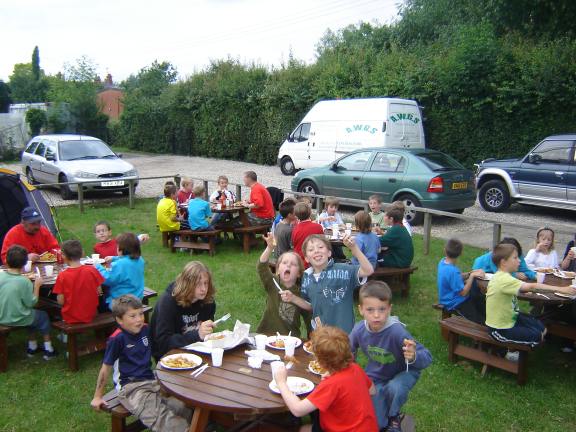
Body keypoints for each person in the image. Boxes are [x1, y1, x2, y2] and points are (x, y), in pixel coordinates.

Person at [91, 295, 192, 432]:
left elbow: (159, 346)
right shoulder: (117, 339)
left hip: (152, 379)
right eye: (132, 316)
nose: (139, 319)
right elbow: (105, 368)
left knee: (182, 405)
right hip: (131, 387)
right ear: (119, 320)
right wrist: (97, 397)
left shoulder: (145, 329)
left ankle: (199, 425)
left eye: (140, 314)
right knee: (160, 417)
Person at [350, 281, 432, 432]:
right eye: (370, 309)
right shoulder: (359, 330)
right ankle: (385, 415)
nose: (376, 315)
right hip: (377, 375)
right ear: (361, 309)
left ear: (389, 308)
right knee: (377, 424)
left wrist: (413, 356)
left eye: (382, 309)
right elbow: (346, 349)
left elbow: (427, 357)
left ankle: (394, 416)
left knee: (395, 388)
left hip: (403, 373)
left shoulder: (397, 332)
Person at [274, 325, 378, 432]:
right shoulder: (355, 368)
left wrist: (281, 382)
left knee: (301, 429)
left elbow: (298, 410)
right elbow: (372, 390)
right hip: (368, 428)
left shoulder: (331, 384)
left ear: (320, 361)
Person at [486, 243, 576, 348]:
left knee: (542, 328)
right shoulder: (503, 279)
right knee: (538, 337)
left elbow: (508, 290)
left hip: (511, 318)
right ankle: (511, 353)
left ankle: (518, 346)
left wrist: (523, 290)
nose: (519, 261)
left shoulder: (503, 276)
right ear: (503, 262)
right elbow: (532, 286)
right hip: (500, 329)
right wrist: (562, 289)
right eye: (515, 258)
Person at [281, 234, 373, 333]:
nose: (316, 251)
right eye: (311, 250)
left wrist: (354, 248)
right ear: (306, 258)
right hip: (321, 334)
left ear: (329, 252)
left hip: (344, 333)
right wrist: (293, 298)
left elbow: (368, 270)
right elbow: (311, 305)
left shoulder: (344, 269)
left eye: (320, 247)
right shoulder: (306, 277)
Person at [150, 261, 216, 361]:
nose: (204, 289)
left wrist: (206, 332)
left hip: (197, 350)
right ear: (187, 284)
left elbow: (206, 336)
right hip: (169, 356)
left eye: (206, 283)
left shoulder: (208, 302)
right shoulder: (168, 302)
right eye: (198, 284)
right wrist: (197, 335)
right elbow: (163, 343)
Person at [0, 245, 56, 359]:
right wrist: (37, 286)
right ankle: (48, 349)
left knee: (32, 314)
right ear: (25, 263)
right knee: (43, 316)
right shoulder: (24, 281)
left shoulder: (1, 275)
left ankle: (33, 346)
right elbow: (32, 303)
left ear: (7, 260)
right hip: (17, 318)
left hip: (2, 316)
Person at [257, 233, 305, 337]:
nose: (288, 265)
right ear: (278, 270)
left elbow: (309, 316)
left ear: (299, 273)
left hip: (290, 338)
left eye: (293, 264)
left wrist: (312, 335)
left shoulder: (301, 292)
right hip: (266, 334)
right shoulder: (272, 283)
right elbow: (261, 267)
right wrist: (269, 248)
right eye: (284, 263)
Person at [53, 240, 104, 324]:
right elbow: (99, 291)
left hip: (71, 317)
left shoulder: (62, 276)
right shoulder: (92, 270)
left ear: (64, 256)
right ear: (82, 253)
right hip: (92, 313)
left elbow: (61, 301)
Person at [437, 238, 486, 324]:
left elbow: (456, 277)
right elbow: (463, 293)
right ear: (461, 253)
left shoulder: (442, 262)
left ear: (445, 250)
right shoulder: (453, 271)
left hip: (450, 298)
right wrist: (472, 276)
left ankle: (485, 313)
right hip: (455, 303)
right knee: (479, 321)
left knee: (479, 298)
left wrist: (470, 273)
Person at [95, 233, 145, 308]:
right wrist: (114, 258)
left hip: (122, 303)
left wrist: (98, 267)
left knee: (100, 302)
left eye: (117, 246)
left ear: (121, 249)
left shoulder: (120, 264)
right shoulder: (140, 259)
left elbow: (108, 279)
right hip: (137, 297)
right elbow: (128, 259)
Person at [290, 202, 324, 266]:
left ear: (296, 216)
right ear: (310, 212)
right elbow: (323, 243)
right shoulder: (318, 227)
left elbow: (293, 244)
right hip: (315, 260)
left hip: (300, 261)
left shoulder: (295, 229)